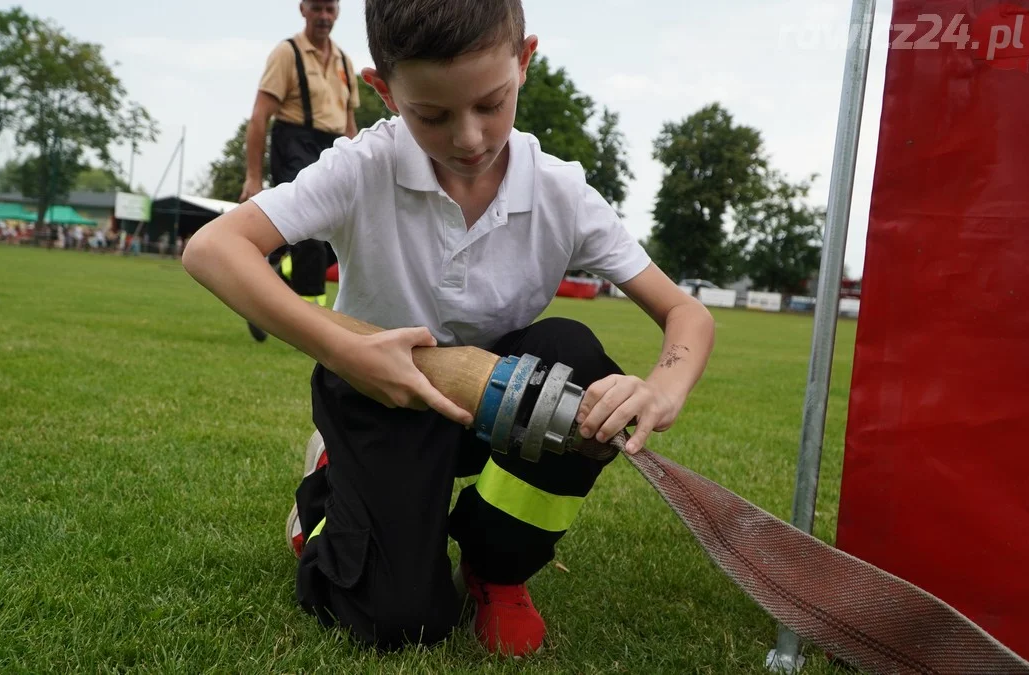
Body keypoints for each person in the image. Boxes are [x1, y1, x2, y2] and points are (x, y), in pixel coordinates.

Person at [183, 0, 715, 658]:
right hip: (382, 397)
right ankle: (326, 494)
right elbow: (213, 248)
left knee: (576, 360)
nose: (469, 138)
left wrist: (662, 388)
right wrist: (346, 350)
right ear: (383, 90)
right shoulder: (362, 166)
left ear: (524, 62)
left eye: (491, 103)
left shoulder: (560, 193)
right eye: (431, 114)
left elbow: (686, 312)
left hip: (499, 398)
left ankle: (496, 566)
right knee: (400, 618)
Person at [241, 0, 361, 342]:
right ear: (303, 9)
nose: (324, 16)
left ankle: (273, 281)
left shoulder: (344, 61)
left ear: (337, 12)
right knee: (309, 231)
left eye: (330, 9)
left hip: (333, 145)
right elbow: (259, 116)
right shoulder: (286, 53)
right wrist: (253, 176)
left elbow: (350, 125)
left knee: (330, 238)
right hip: (293, 141)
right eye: (317, 8)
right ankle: (311, 324)